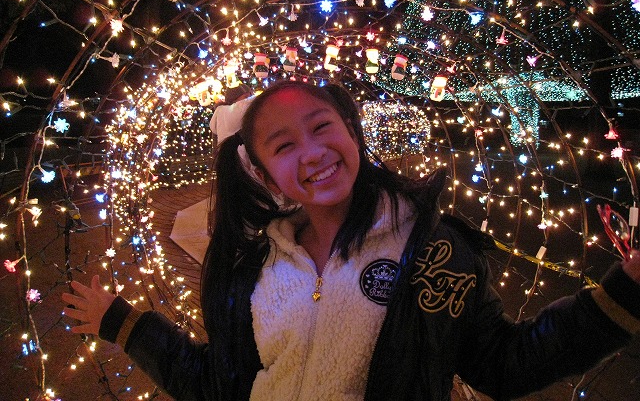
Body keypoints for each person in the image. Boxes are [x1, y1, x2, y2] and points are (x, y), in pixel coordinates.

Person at [62, 81, 640, 401]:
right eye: (283, 146)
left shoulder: (434, 252)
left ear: (352, 134)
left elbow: (505, 364)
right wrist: (125, 325)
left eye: (322, 127)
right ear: (264, 175)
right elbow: (218, 385)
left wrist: (626, 293)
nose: (312, 152)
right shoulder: (249, 270)